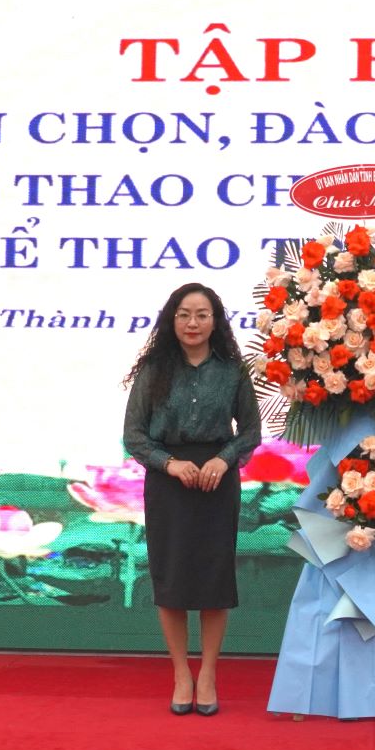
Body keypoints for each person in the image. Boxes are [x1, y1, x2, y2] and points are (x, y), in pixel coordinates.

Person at [123, 282, 261, 717]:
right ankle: (182, 674)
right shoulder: (154, 370)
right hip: (168, 483)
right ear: (172, 319)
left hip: (218, 481)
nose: (192, 323)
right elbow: (134, 437)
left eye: (202, 314)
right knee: (173, 581)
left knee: (214, 581)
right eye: (184, 314)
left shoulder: (233, 370)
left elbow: (251, 432)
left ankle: (208, 675)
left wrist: (224, 459)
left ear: (215, 321)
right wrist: (169, 464)